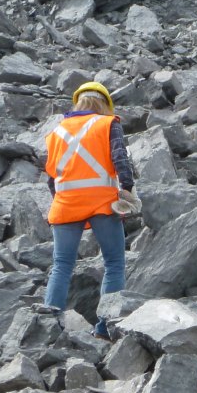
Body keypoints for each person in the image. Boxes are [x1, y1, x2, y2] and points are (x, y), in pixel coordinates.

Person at [42, 81, 136, 340]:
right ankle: (106, 327)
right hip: (102, 203)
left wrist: (60, 200)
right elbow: (120, 159)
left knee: (61, 264)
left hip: (65, 204)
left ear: (78, 102)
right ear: (105, 103)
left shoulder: (56, 132)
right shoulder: (108, 124)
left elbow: (52, 176)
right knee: (114, 263)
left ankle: (50, 322)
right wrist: (127, 190)